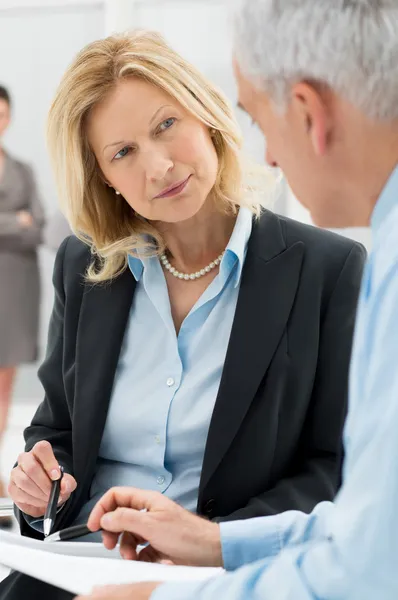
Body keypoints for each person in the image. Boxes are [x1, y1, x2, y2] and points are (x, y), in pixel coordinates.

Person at [1, 30, 364, 599]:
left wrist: (211, 539)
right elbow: (59, 430)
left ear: (206, 115)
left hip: (227, 575)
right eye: (123, 153)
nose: (159, 166)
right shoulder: (84, 266)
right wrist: (43, 480)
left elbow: (331, 467)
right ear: (106, 181)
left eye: (166, 125)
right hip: (81, 566)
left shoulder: (327, 270)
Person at [0, 85, 44, 522]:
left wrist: (19, 225)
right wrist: (16, 220)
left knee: (5, 379)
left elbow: (39, 225)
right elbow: (25, 223)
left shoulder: (23, 169)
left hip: (15, 284)